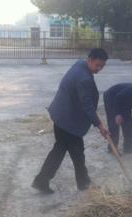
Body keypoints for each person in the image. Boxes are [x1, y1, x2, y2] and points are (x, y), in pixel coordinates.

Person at [32, 48, 110, 194]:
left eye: (102, 66)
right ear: (90, 60)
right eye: (98, 65)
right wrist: (100, 125)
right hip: (68, 122)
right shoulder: (84, 78)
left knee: (61, 149)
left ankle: (42, 180)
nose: (99, 69)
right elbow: (87, 105)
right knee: (76, 152)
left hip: (61, 116)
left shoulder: (79, 65)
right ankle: (83, 183)